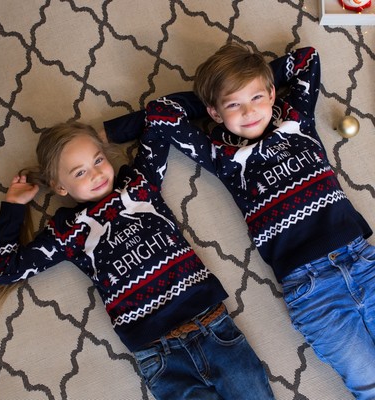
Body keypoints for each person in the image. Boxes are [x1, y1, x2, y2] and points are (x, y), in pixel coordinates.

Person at [103, 43, 375, 399]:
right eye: (234, 105)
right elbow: (161, 114)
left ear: (273, 94)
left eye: (257, 97)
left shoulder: (296, 119)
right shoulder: (222, 156)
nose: (249, 111)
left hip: (361, 259)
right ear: (214, 114)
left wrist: (243, 84)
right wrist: (214, 98)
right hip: (311, 290)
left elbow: (306, 58)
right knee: (369, 382)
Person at [0, 121, 275, 400]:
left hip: (211, 325)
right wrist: (14, 206)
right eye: (80, 172)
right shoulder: (67, 232)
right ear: (59, 187)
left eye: (98, 160)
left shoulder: (139, 185)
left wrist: (108, 131)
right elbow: (3, 269)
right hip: (160, 356)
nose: (96, 174)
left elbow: (160, 120)